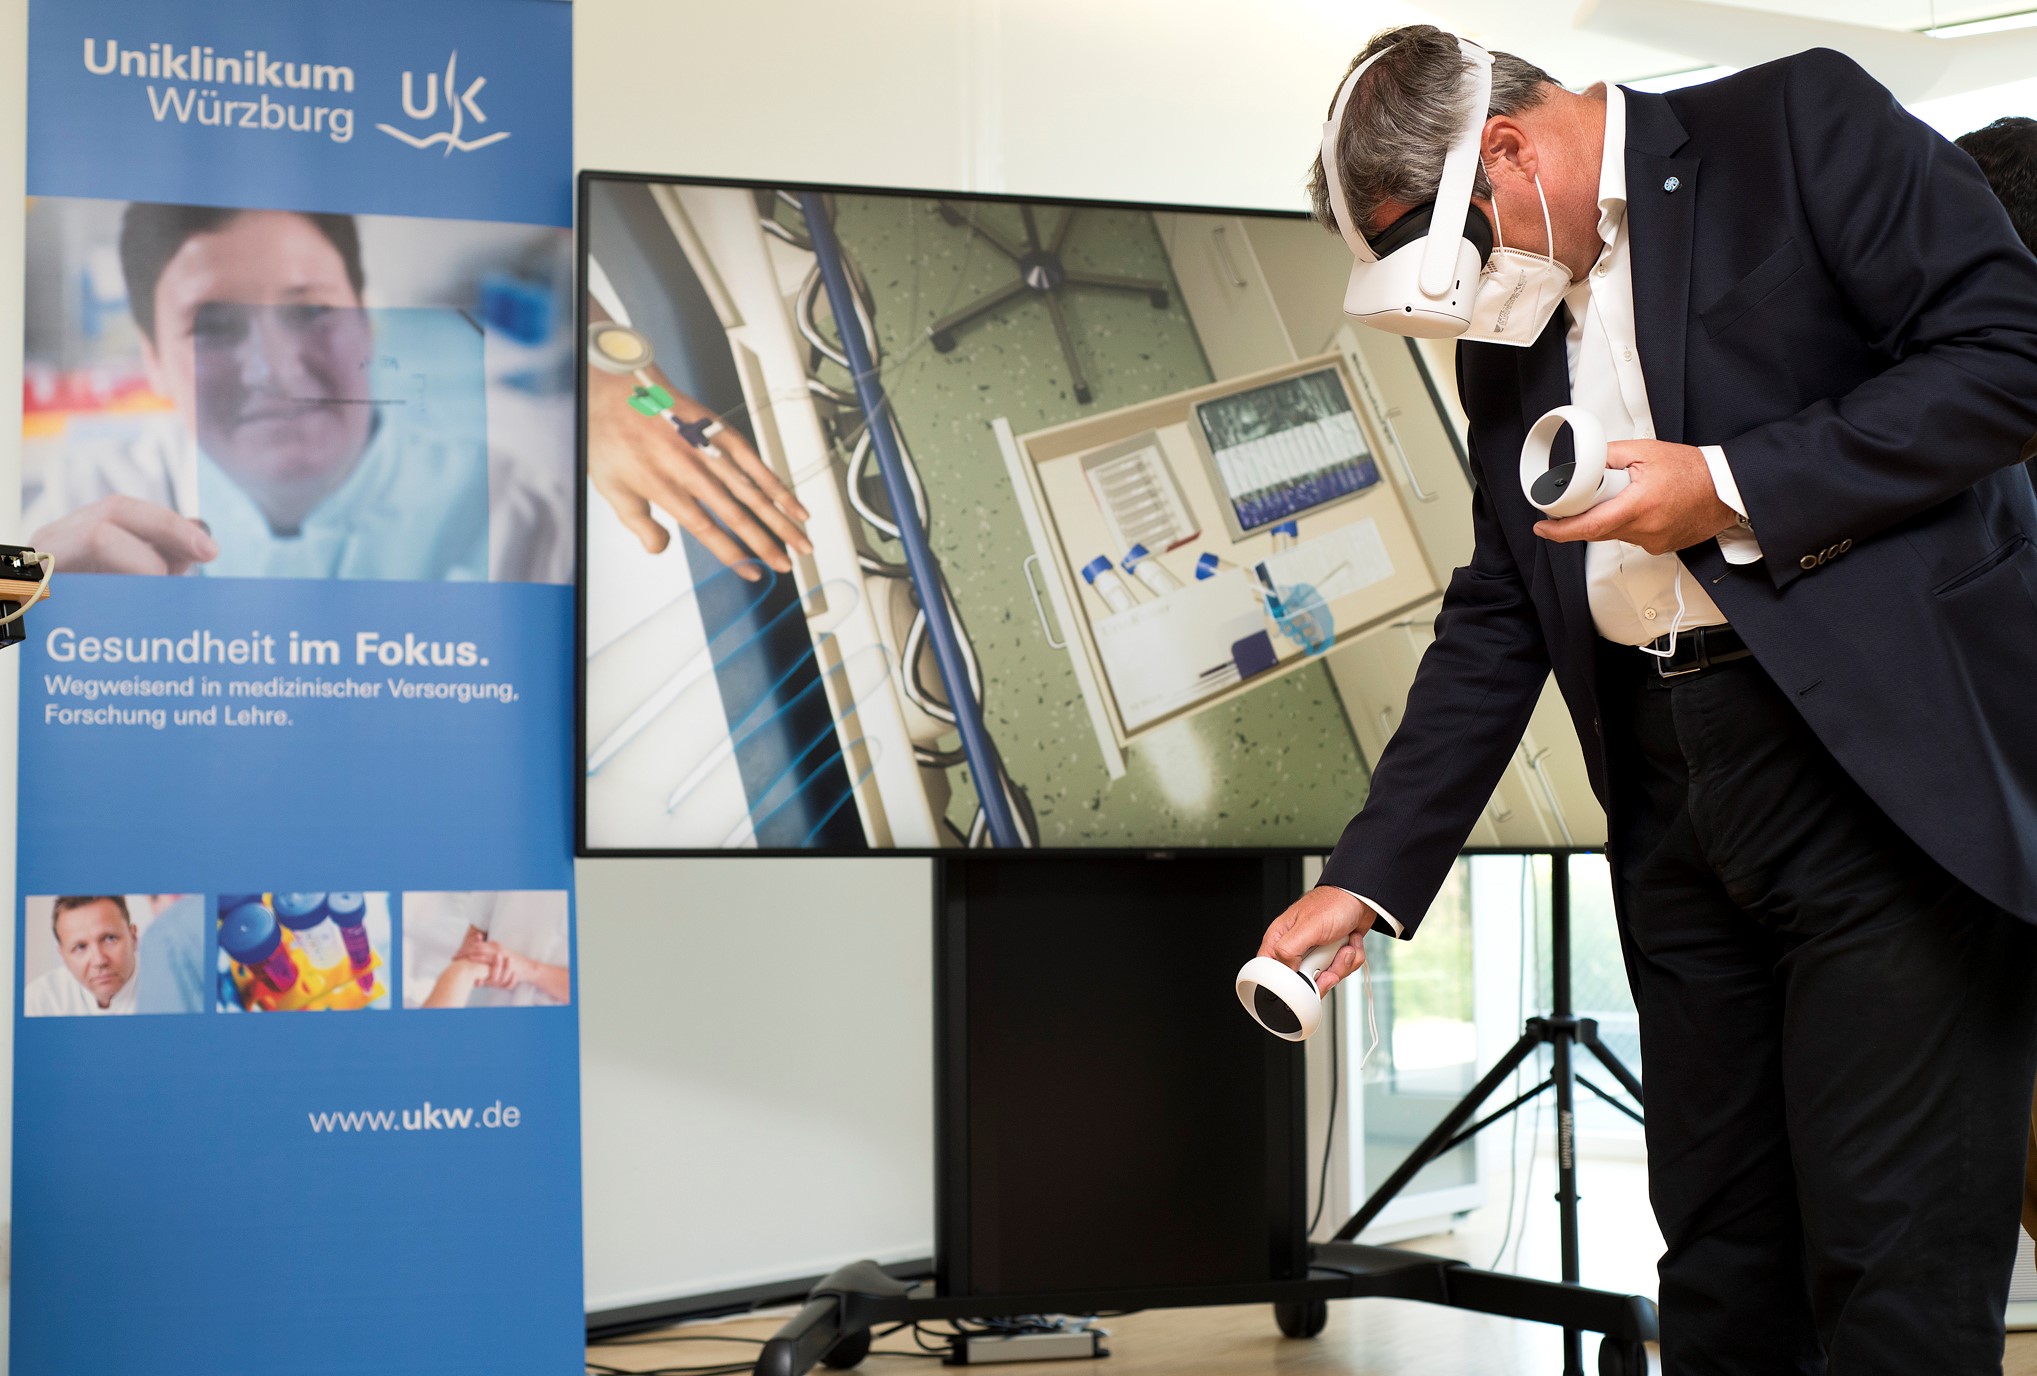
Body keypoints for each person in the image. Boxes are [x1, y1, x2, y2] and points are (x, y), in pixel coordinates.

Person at [1258, 27, 2037, 1373]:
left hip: (1873, 781)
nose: (1468, 298)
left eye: (1460, 253)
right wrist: (1369, 878)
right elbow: (1502, 608)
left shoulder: (1792, 129)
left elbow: (2007, 355)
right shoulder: (1506, 342)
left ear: (1503, 149)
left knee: (1890, 1258)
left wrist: (1730, 482)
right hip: (1677, 791)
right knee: (1722, 1258)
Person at [25, 202, 805, 581]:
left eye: (308, 312)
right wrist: (17, 583)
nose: (276, 367)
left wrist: (610, 381)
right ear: (154, 363)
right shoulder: (82, 508)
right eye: (215, 329)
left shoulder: (516, 512)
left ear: (367, 323)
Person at [25, 895, 140, 1016]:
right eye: (80, 947)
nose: (99, 961)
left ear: (133, 937)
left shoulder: (161, 987)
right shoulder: (39, 1000)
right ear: (63, 956)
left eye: (110, 939)